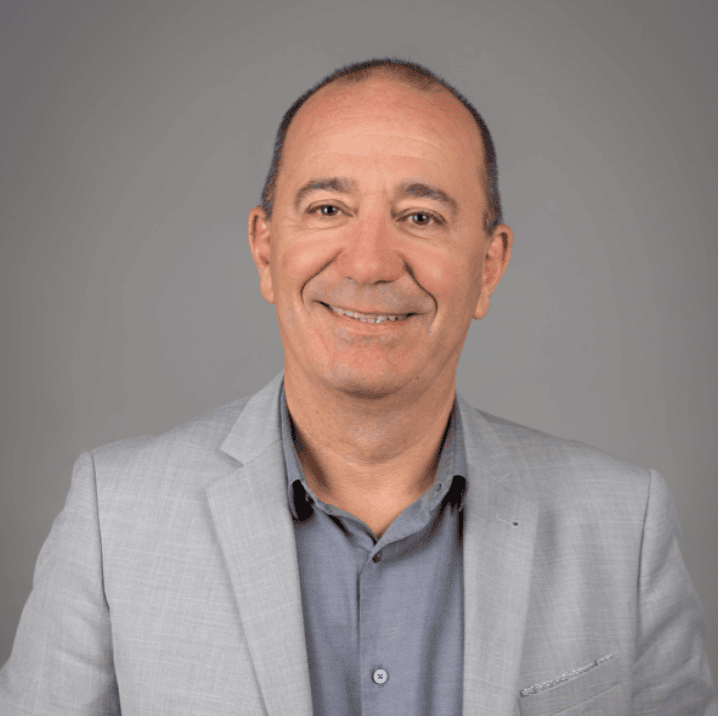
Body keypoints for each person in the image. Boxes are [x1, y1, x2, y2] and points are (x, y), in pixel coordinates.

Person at [0, 57, 715, 715]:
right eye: (327, 209)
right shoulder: (114, 518)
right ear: (266, 249)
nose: (370, 263)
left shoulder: (625, 526)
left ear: (489, 267)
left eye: (421, 217)